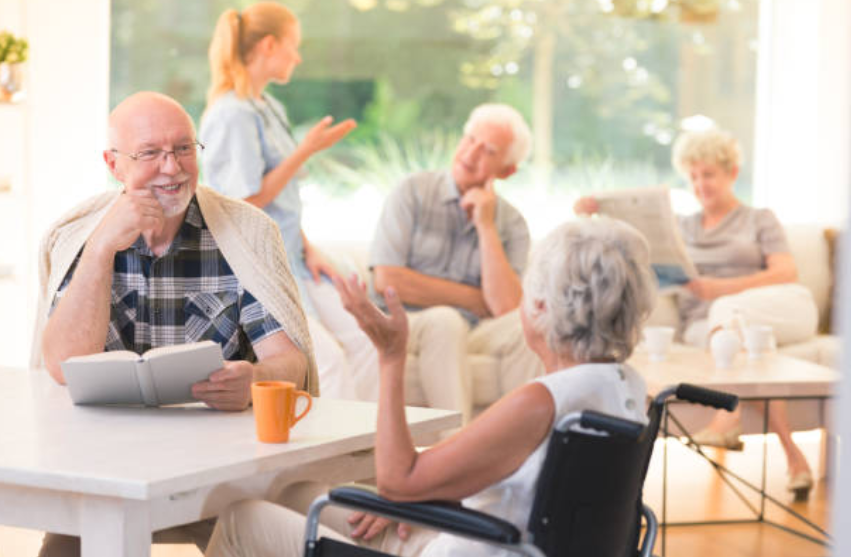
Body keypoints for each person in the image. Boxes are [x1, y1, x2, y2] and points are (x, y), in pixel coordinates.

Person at [203, 216, 656, 557]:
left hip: (468, 546)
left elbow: (398, 480)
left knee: (242, 518)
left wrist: (391, 356)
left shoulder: (541, 401)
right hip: (497, 537)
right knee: (291, 493)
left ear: (540, 306)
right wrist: (412, 493)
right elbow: (506, 472)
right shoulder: (624, 389)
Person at [33, 91, 318, 556]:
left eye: (184, 148)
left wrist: (257, 380)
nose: (172, 167)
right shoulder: (79, 235)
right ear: (114, 164)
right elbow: (64, 365)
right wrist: (103, 248)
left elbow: (291, 362)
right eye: (150, 153)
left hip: (219, 472)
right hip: (103, 465)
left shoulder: (246, 232)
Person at [574, 127, 817, 496]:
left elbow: (786, 272)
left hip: (776, 309)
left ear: (732, 173)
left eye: (709, 174)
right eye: (693, 176)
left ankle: (728, 418)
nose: (700, 184)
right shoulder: (681, 227)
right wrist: (592, 218)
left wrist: (719, 290)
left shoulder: (758, 218)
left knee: (728, 312)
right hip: (711, 328)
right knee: (751, 349)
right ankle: (793, 455)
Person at [199, 2, 358, 399]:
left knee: (365, 341)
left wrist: (308, 247)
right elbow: (246, 200)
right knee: (329, 362)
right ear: (269, 45)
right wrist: (305, 151)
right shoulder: (232, 113)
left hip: (295, 257)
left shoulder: (269, 106)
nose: (298, 56)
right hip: (261, 266)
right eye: (293, 45)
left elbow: (283, 200)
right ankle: (330, 455)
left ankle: (369, 448)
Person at [358, 102, 540, 422]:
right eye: (469, 140)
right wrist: (471, 298)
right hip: (405, 321)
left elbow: (506, 307)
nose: (470, 154)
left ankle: (523, 448)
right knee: (445, 321)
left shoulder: (511, 223)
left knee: (533, 323)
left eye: (488, 151)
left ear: (507, 171)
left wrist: (486, 225)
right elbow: (388, 281)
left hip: (474, 328)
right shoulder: (413, 191)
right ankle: (455, 451)